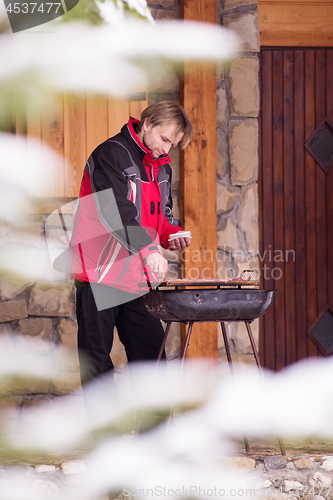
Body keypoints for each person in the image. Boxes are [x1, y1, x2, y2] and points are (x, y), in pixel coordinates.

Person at [68, 101, 193, 385]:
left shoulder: (161, 167)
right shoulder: (110, 154)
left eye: (172, 144)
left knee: (152, 358)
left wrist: (171, 234)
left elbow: (163, 213)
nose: (167, 149)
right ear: (147, 123)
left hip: (135, 275)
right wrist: (149, 250)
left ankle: (154, 430)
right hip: (99, 271)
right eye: (164, 139)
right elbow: (115, 212)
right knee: (96, 360)